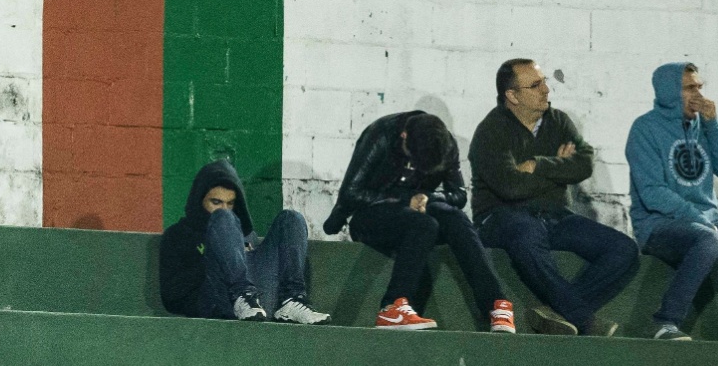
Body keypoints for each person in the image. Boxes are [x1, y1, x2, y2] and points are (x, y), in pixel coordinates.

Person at [470, 58, 637, 337]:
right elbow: (510, 188)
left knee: (624, 249)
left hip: (554, 215)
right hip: (499, 216)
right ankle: (583, 318)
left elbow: (583, 165)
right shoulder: (492, 130)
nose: (546, 89)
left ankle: (554, 313)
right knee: (526, 231)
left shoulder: (557, 120)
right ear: (512, 95)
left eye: (545, 81)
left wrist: (539, 165)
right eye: (535, 85)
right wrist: (560, 171)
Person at [324, 112, 516, 333]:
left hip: (419, 207)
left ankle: (495, 304)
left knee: (457, 219)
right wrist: (406, 199)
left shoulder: (444, 143)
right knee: (424, 225)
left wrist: (427, 197)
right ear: (403, 136)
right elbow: (351, 193)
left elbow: (458, 195)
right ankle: (392, 308)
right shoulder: (381, 135)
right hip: (372, 213)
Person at [626, 62, 718, 343]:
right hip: (657, 225)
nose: (698, 94)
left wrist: (715, 126)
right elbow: (652, 192)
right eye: (690, 88)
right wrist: (697, 218)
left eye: (700, 87)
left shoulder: (704, 126)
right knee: (710, 240)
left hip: (704, 219)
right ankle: (664, 322)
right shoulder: (645, 129)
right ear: (668, 92)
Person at [159, 160, 329, 323]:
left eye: (230, 203)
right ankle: (241, 295)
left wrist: (240, 255)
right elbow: (171, 297)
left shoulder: (246, 234)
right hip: (218, 299)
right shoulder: (178, 234)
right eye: (216, 202)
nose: (224, 208)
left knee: (291, 218)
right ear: (199, 200)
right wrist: (218, 258)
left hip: (258, 304)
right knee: (223, 219)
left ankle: (291, 300)